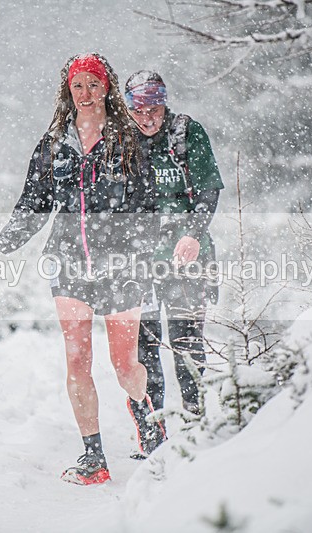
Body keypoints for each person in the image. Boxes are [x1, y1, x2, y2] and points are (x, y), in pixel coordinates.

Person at [0, 54, 166, 486]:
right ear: (68, 91)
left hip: (121, 266)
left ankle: (152, 425)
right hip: (69, 263)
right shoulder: (54, 143)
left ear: (107, 88)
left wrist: (142, 254)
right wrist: (3, 242)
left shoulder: (128, 141)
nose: (86, 93)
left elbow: (148, 207)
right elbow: (33, 203)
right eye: (78, 85)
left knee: (125, 365)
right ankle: (94, 457)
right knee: (77, 361)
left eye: (94, 84)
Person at [124, 70, 224, 418]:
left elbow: (209, 190)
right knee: (144, 350)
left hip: (186, 257)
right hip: (140, 263)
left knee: (187, 346)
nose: (147, 119)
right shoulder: (122, 141)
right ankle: (154, 432)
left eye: (154, 110)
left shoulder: (186, 133)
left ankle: (197, 425)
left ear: (164, 104)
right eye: (138, 111)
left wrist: (193, 233)